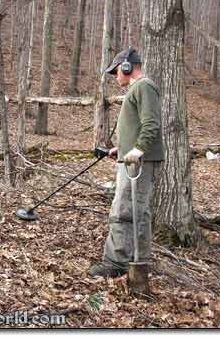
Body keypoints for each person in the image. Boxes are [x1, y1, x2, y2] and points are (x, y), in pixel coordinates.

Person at [88, 47, 164, 278]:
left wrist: (138, 150)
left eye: (116, 71)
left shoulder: (144, 86)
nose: (115, 76)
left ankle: (116, 263)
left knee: (124, 210)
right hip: (133, 159)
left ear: (127, 67)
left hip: (138, 163)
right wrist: (121, 149)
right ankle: (139, 260)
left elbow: (151, 124)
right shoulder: (139, 88)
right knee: (138, 212)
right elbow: (138, 126)